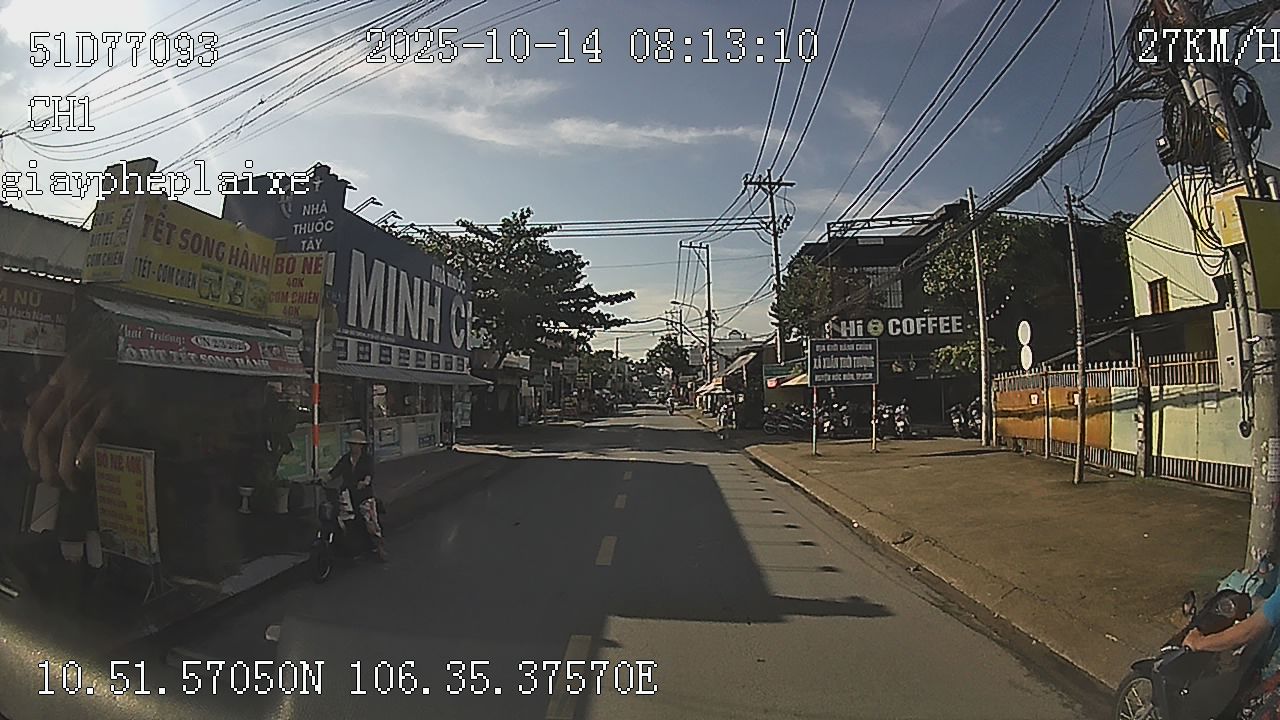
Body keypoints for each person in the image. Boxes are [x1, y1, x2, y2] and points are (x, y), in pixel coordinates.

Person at [329, 430, 385, 561]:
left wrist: (365, 482)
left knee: (370, 520)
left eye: (356, 444)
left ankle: (380, 548)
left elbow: (370, 473)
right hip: (348, 493)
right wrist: (324, 478)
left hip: (364, 494)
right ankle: (350, 547)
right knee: (344, 519)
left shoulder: (367, 459)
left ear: (361, 446)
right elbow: (335, 471)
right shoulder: (346, 459)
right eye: (351, 444)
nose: (353, 447)